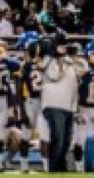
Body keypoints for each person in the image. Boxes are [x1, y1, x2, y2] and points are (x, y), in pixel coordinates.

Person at [41, 39, 86, 172]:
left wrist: (72, 57)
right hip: (54, 104)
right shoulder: (48, 60)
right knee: (58, 139)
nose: (64, 49)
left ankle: (62, 169)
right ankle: (54, 169)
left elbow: (84, 69)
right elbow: (55, 76)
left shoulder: (70, 62)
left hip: (69, 106)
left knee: (67, 141)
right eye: (61, 46)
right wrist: (62, 59)